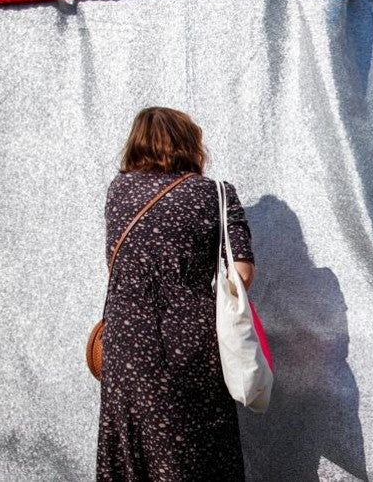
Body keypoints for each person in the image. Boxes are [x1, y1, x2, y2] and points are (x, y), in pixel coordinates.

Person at [97, 107, 255, 481]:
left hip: (124, 341)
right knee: (195, 449)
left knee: (134, 448)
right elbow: (242, 274)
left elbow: (118, 264)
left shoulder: (118, 190)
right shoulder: (214, 193)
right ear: (189, 144)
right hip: (191, 342)